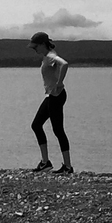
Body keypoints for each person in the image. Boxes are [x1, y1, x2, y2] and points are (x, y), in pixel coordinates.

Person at [28, 31, 72, 174]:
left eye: (35, 47)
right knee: (36, 125)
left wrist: (60, 82)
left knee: (58, 130)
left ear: (42, 44)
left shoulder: (51, 56)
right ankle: (45, 163)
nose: (34, 50)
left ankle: (67, 166)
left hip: (56, 96)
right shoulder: (48, 55)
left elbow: (64, 64)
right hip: (51, 96)